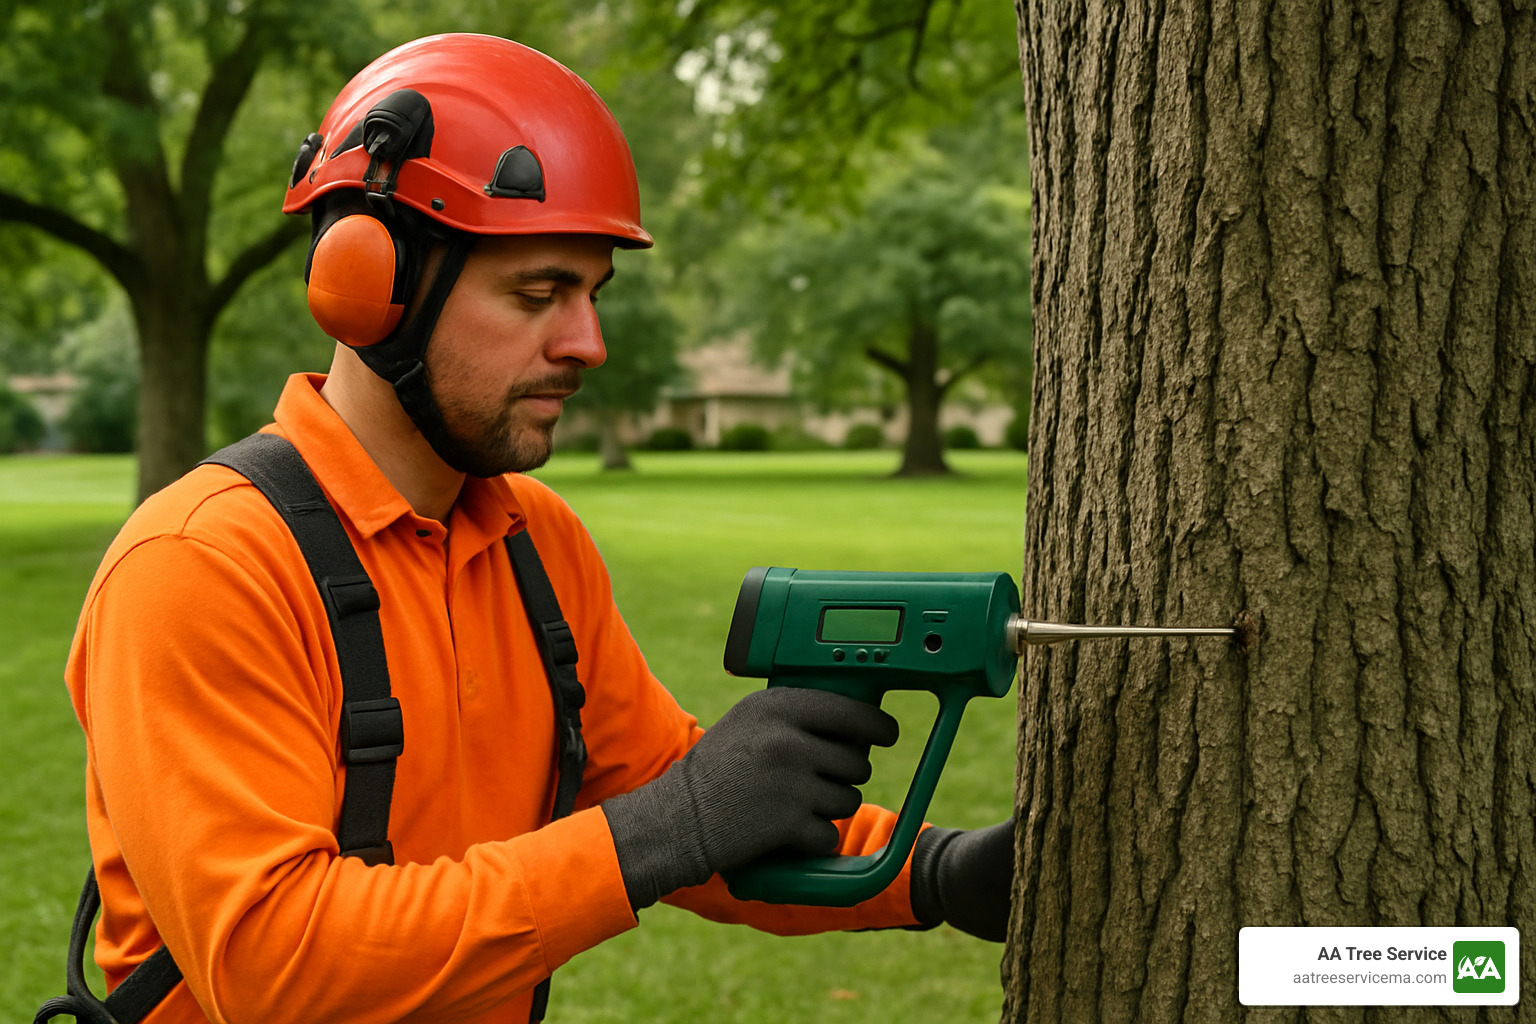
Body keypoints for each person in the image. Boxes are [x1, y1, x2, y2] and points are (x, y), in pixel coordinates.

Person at [64, 33, 1012, 1023]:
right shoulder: (202, 566)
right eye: (538, 293)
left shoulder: (534, 542)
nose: (587, 344)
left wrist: (938, 871)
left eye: (592, 293)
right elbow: (276, 963)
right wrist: (659, 830)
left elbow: (682, 802)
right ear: (370, 284)